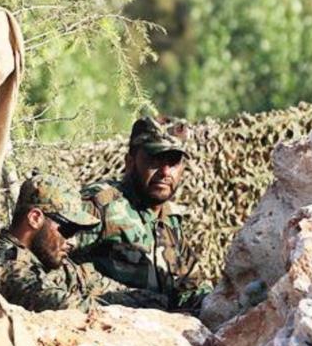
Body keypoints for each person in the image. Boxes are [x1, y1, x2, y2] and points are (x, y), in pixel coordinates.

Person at [0, 174, 168, 312]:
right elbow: (74, 308)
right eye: (68, 230)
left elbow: (108, 291)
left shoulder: (44, 259)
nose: (72, 241)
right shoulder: (4, 266)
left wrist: (163, 303)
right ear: (35, 218)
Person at [71, 116, 212, 315]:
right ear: (130, 162)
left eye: (172, 162)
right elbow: (45, 256)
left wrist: (229, 303)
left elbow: (189, 289)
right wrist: (105, 295)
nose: (164, 172)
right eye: (154, 159)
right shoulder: (102, 205)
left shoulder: (169, 219)